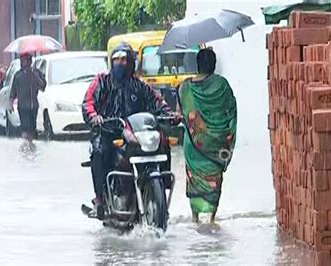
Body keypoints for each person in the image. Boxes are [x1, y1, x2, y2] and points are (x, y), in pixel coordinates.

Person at [82, 42, 176, 218]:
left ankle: (162, 185)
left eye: (124, 59)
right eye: (116, 60)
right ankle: (100, 200)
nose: (120, 63)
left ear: (132, 62)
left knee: (163, 143)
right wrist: (94, 116)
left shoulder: (139, 86)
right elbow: (88, 103)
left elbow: (157, 102)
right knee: (98, 151)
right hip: (109, 132)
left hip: (136, 134)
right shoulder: (102, 81)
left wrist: (170, 115)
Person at [177, 48, 237, 223]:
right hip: (217, 143)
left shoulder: (185, 87)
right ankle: (211, 219)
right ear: (214, 65)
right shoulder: (222, 85)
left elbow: (181, 114)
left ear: (197, 65)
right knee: (214, 180)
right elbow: (231, 111)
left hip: (194, 145)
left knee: (193, 179)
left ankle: (195, 218)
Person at [10, 53, 46, 145]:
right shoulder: (18, 75)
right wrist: (11, 104)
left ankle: (31, 145)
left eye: (25, 60)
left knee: (32, 128)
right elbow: (13, 91)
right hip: (22, 106)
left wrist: (36, 76)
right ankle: (26, 146)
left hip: (33, 105)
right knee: (25, 127)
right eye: (21, 60)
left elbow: (43, 86)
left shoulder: (36, 73)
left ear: (30, 61)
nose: (23, 62)